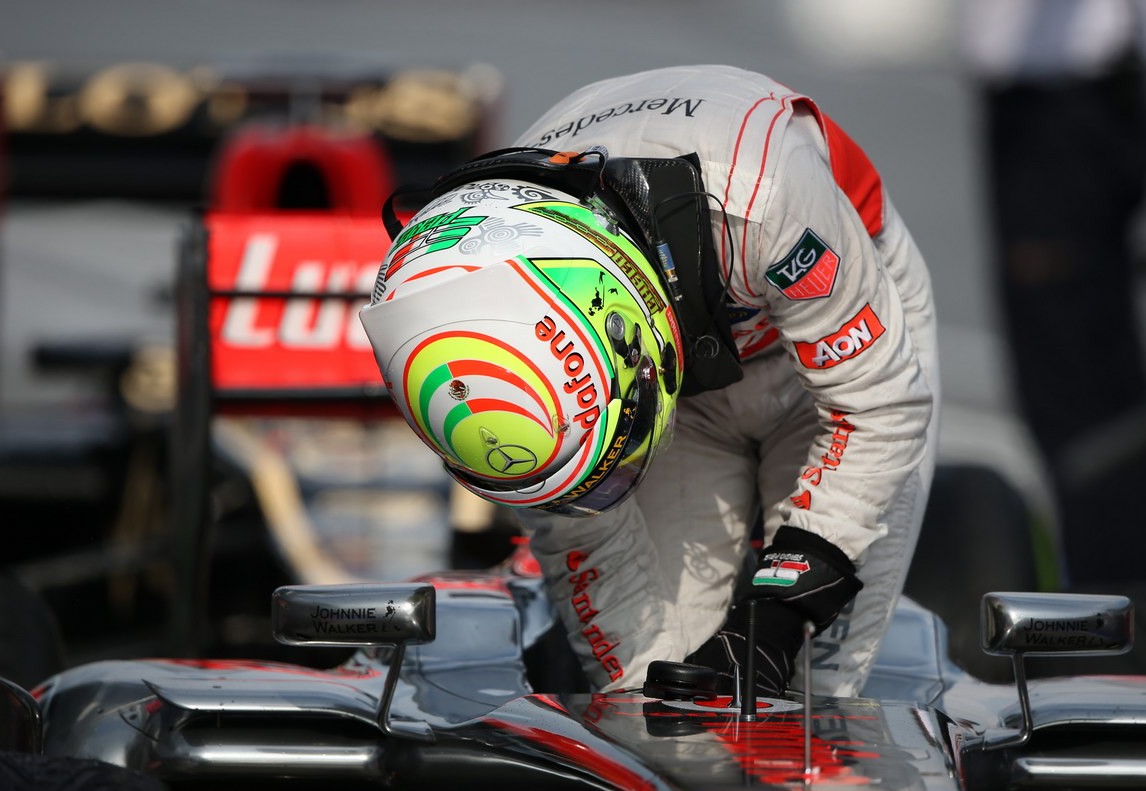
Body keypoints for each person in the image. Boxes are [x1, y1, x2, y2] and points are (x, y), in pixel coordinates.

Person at [360, 65, 938, 697]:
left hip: (840, 357)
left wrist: (779, 612)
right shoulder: (513, 367)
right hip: (681, 390)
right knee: (659, 690)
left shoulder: (762, 196)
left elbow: (880, 404)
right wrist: (649, 708)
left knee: (814, 690)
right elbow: (583, 534)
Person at [962, 0, 1146, 586]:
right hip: (1091, 96)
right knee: (1104, 373)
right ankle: (1142, 595)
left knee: (1069, 383)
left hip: (1057, 108)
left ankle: (1116, 603)